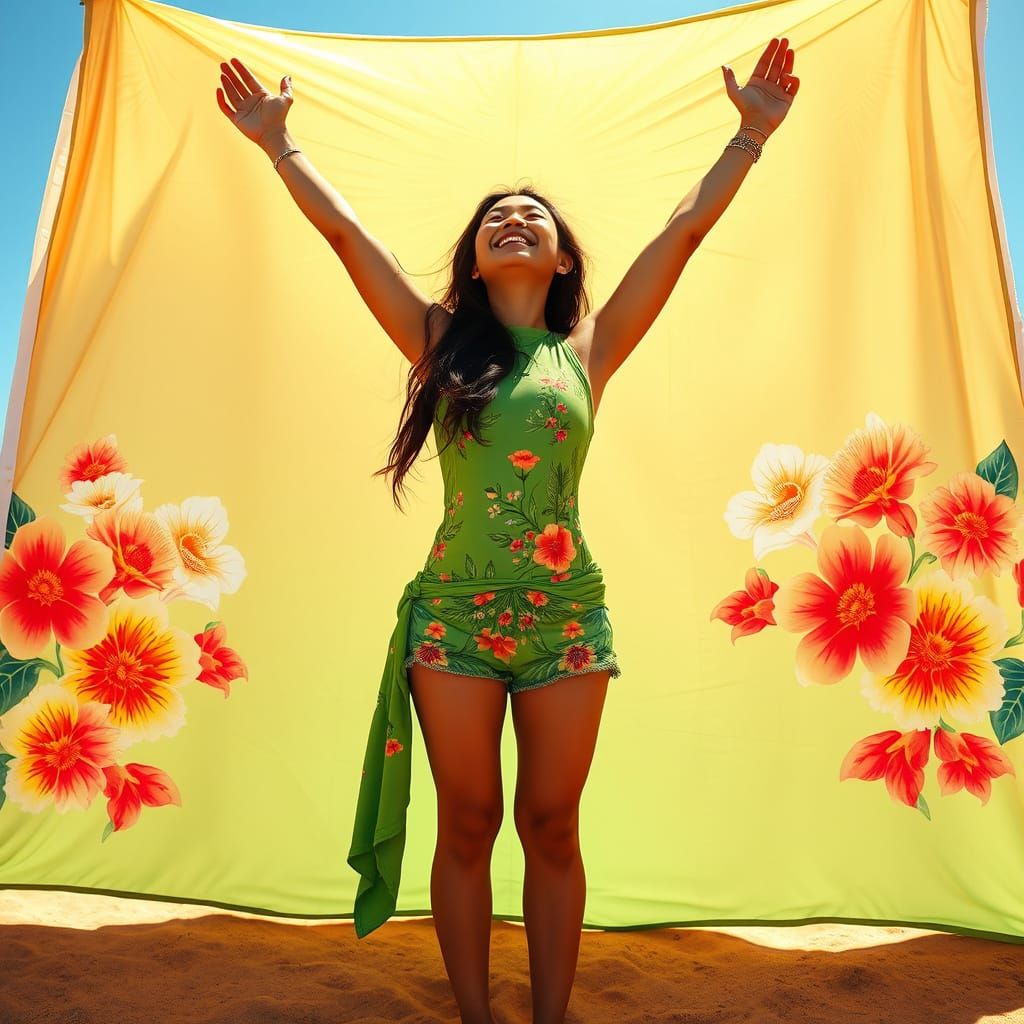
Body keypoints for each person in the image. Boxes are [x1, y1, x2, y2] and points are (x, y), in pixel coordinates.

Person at [216, 39, 798, 1024]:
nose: (513, 220)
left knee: (554, 825)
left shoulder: (589, 349)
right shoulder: (439, 339)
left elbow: (684, 230)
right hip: (453, 615)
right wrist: (280, 146)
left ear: (560, 257)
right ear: (475, 262)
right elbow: (349, 239)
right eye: (496, 218)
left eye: (531, 217)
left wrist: (748, 133)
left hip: (568, 615)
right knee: (470, 822)